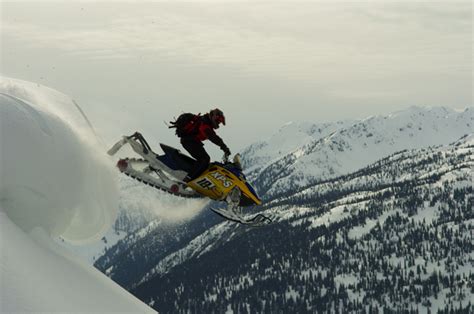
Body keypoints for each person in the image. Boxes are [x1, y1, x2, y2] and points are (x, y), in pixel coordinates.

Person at [169, 108, 231, 182]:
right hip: (189, 142)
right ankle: (188, 179)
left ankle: (194, 178)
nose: (218, 124)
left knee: (204, 161)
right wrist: (224, 147)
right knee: (204, 159)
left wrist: (224, 148)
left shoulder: (205, 121)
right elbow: (213, 137)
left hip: (192, 141)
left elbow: (213, 136)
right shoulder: (205, 124)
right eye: (218, 121)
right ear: (214, 118)